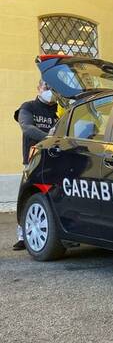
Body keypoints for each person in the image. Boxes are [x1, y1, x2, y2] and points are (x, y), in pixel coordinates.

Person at [12, 80, 59, 250]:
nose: (50, 91)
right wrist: (49, 138)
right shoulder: (28, 107)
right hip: (33, 160)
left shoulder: (60, 110)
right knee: (29, 196)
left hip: (56, 158)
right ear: (38, 88)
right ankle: (23, 236)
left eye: (53, 88)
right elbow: (27, 128)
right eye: (46, 87)